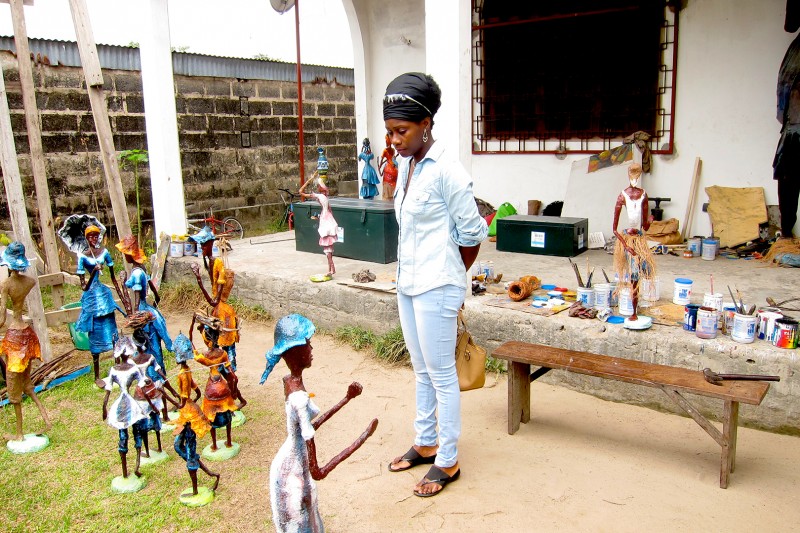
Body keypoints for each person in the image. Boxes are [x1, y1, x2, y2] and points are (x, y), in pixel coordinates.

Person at [383, 72, 488, 497]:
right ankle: (425, 442)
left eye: (401, 131)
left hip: (438, 285)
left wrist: (451, 276)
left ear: (426, 123)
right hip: (408, 283)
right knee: (421, 369)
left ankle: (448, 459)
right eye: (390, 131)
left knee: (442, 374)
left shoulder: (448, 171)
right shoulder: (407, 166)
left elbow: (473, 233)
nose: (394, 139)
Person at [260, 314, 378, 533]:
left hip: (291, 461)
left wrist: (346, 399)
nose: (312, 348)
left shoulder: (291, 382)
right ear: (296, 351)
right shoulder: (299, 398)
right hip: (294, 475)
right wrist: (363, 437)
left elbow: (310, 426)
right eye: (308, 343)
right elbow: (318, 472)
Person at [0, 242, 52, 446]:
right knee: (27, 383)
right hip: (28, 336)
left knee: (14, 388)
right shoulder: (29, 281)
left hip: (14, 337)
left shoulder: (6, 285)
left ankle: (19, 433)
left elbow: (1, 320)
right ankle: (46, 419)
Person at [100, 336, 155, 487]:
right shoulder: (130, 369)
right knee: (133, 434)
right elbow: (143, 383)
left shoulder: (115, 369)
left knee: (125, 436)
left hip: (123, 404)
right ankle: (134, 466)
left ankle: (132, 468)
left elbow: (108, 391)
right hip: (129, 403)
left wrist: (104, 407)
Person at [116, 235, 173, 372]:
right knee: (150, 345)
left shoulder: (136, 274)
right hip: (147, 308)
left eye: (125, 254)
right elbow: (151, 285)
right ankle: (156, 371)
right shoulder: (141, 268)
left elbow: (136, 297)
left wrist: (136, 316)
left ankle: (153, 374)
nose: (125, 257)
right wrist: (157, 298)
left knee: (148, 343)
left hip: (142, 308)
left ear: (130, 255)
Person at [75, 225, 125, 380]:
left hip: (104, 296)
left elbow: (113, 278)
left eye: (96, 236)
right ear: (86, 238)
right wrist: (94, 272)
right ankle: (97, 376)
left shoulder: (104, 253)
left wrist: (122, 297)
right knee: (95, 336)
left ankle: (117, 368)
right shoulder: (82, 257)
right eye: (90, 236)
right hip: (91, 297)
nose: (94, 239)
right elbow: (84, 287)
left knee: (113, 332)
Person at [612, 163, 657, 329]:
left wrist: (650, 220)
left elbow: (644, 227)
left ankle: (635, 311)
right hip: (629, 240)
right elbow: (615, 230)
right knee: (633, 276)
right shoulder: (622, 196)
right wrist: (626, 246)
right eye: (634, 174)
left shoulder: (644, 195)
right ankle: (633, 312)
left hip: (639, 240)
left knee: (641, 274)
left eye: (636, 174)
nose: (635, 177)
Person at [189, 228, 240, 371]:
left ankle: (230, 371)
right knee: (212, 341)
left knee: (226, 347)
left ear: (211, 244)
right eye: (201, 245)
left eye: (204, 245)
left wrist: (199, 280)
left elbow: (214, 301)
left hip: (222, 310)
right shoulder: (211, 263)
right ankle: (219, 369)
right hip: (216, 309)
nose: (202, 248)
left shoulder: (218, 264)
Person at [774, 31, 800, 239]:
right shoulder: (795, 50)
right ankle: (786, 234)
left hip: (793, 129)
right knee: (786, 180)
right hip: (793, 130)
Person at [299, 168, 338, 280]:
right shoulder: (325, 197)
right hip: (328, 219)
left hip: (326, 221)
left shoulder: (320, 196)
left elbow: (300, 192)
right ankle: (331, 269)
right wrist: (320, 217)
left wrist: (308, 180)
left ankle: (331, 269)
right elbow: (329, 210)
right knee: (328, 247)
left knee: (327, 247)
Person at [378, 133, 399, 200]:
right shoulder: (393, 150)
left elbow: (381, 161)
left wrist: (380, 166)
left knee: (387, 193)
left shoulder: (385, 150)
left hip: (388, 169)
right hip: (394, 168)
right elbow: (393, 158)